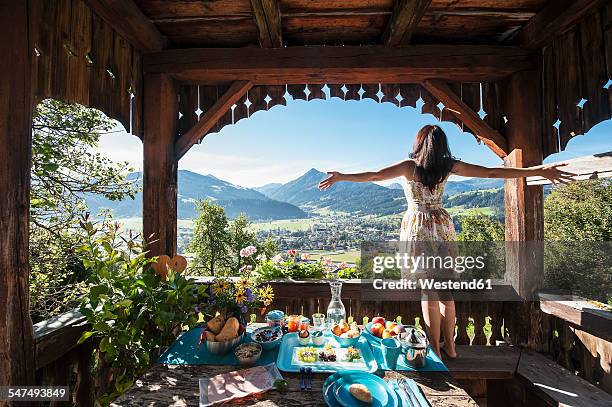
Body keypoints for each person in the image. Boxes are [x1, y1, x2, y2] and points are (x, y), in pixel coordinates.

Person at [318, 124, 574, 358]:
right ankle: (450, 347)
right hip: (442, 226)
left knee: (428, 290)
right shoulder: (449, 165)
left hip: (417, 228)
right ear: (442, 146)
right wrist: (537, 170)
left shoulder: (410, 167)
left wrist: (342, 176)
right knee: (444, 290)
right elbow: (491, 172)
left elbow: (374, 176)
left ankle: (434, 350)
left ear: (419, 144)